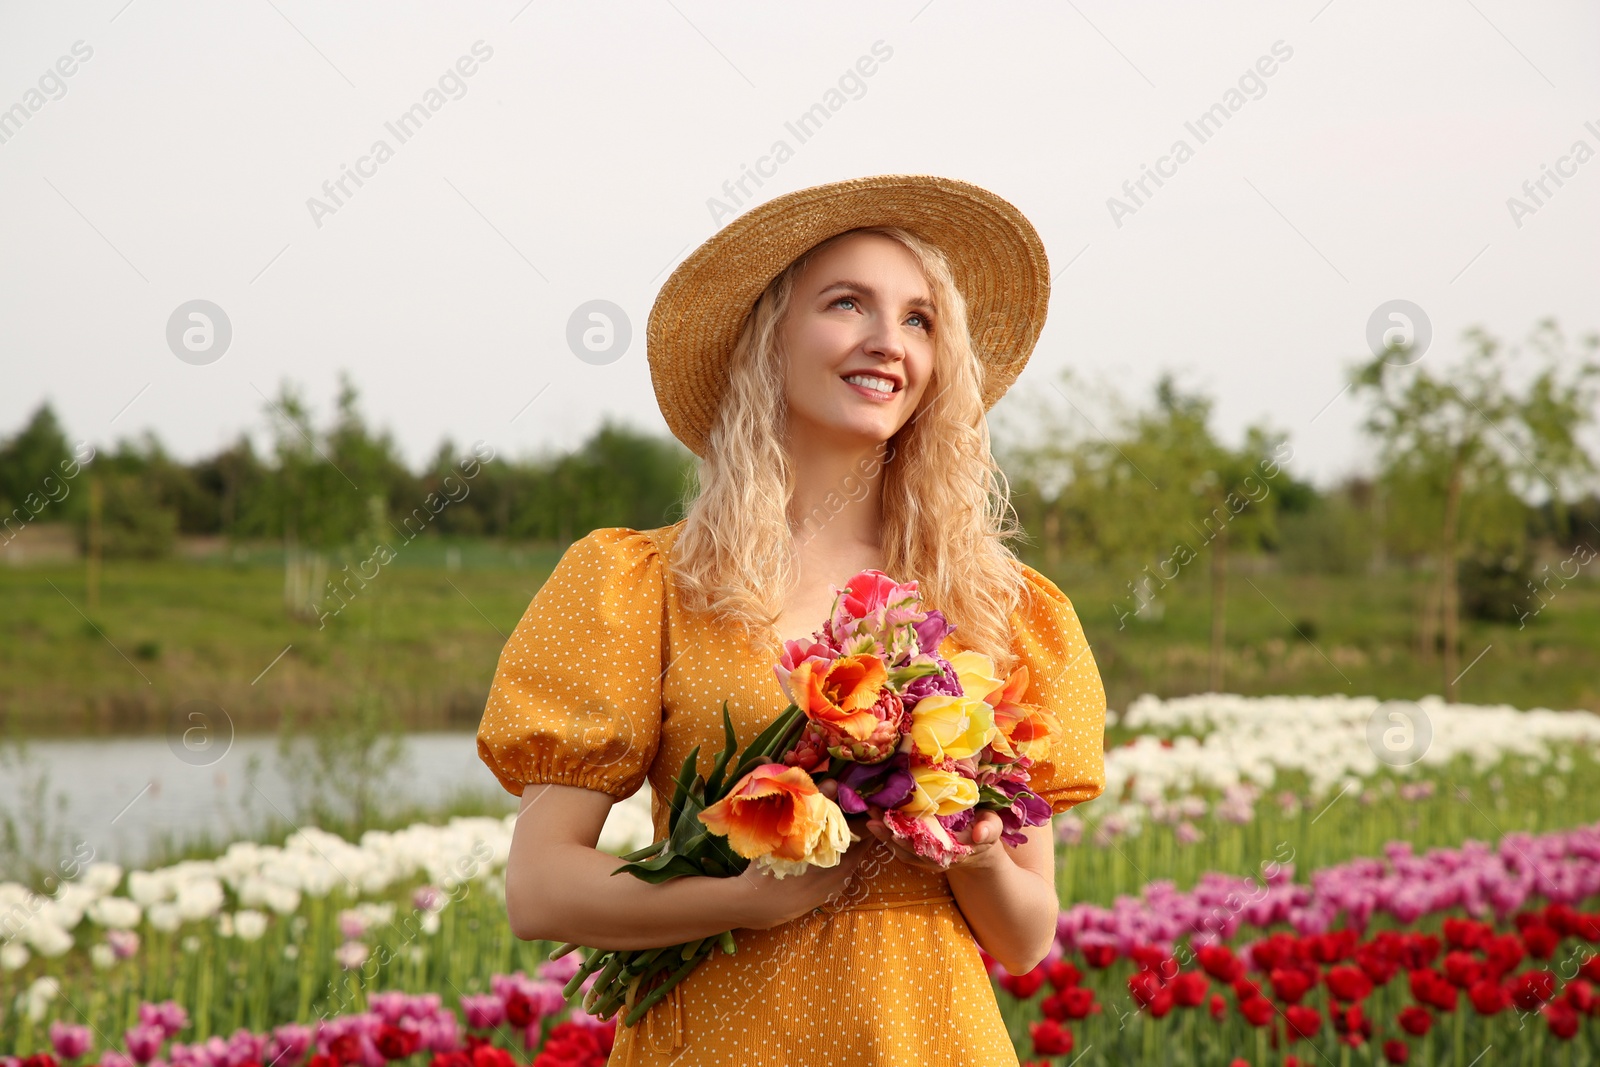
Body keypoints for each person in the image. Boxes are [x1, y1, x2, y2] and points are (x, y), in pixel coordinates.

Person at [476, 174, 1107, 1065]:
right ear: (766, 338)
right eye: (847, 304)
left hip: (927, 1040)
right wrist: (739, 898)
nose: (889, 341)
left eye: (920, 319)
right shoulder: (648, 584)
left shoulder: (999, 609)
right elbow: (539, 887)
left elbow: (1027, 935)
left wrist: (970, 847)